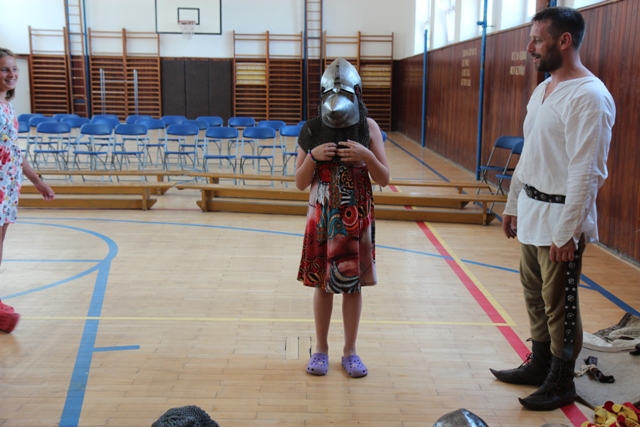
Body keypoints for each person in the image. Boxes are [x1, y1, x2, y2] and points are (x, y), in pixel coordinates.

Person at [489, 8, 616, 411]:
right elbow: (531, 154)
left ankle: (562, 380)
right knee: (534, 295)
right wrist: (512, 203)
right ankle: (540, 364)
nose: (529, 47)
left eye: (537, 40)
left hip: (561, 218)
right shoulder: (544, 88)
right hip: (531, 210)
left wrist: (568, 232)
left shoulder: (589, 96)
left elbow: (586, 172)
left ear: (564, 41)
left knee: (560, 305)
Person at [295, 58, 390, 378]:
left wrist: (366, 155)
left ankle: (350, 350)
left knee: (352, 286)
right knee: (323, 285)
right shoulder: (311, 128)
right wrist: (313, 156)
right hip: (323, 216)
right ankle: (320, 349)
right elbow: (299, 182)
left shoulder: (368, 127)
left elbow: (384, 177)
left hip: (355, 215)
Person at [0, 48, 56, 333]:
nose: (11, 74)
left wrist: (36, 180)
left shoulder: (7, 107)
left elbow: (13, 149)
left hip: (7, 185)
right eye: (4, 69)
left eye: (14, 69)